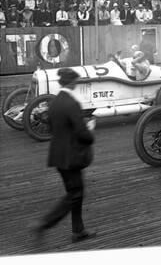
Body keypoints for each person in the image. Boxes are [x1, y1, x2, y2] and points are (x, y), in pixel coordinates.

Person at [34, 68, 96, 243]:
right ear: (71, 82)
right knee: (75, 194)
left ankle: (79, 231)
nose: (77, 83)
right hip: (72, 157)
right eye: (76, 81)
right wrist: (90, 130)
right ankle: (43, 224)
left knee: (76, 192)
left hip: (58, 156)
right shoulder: (72, 103)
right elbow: (82, 133)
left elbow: (54, 129)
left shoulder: (54, 102)